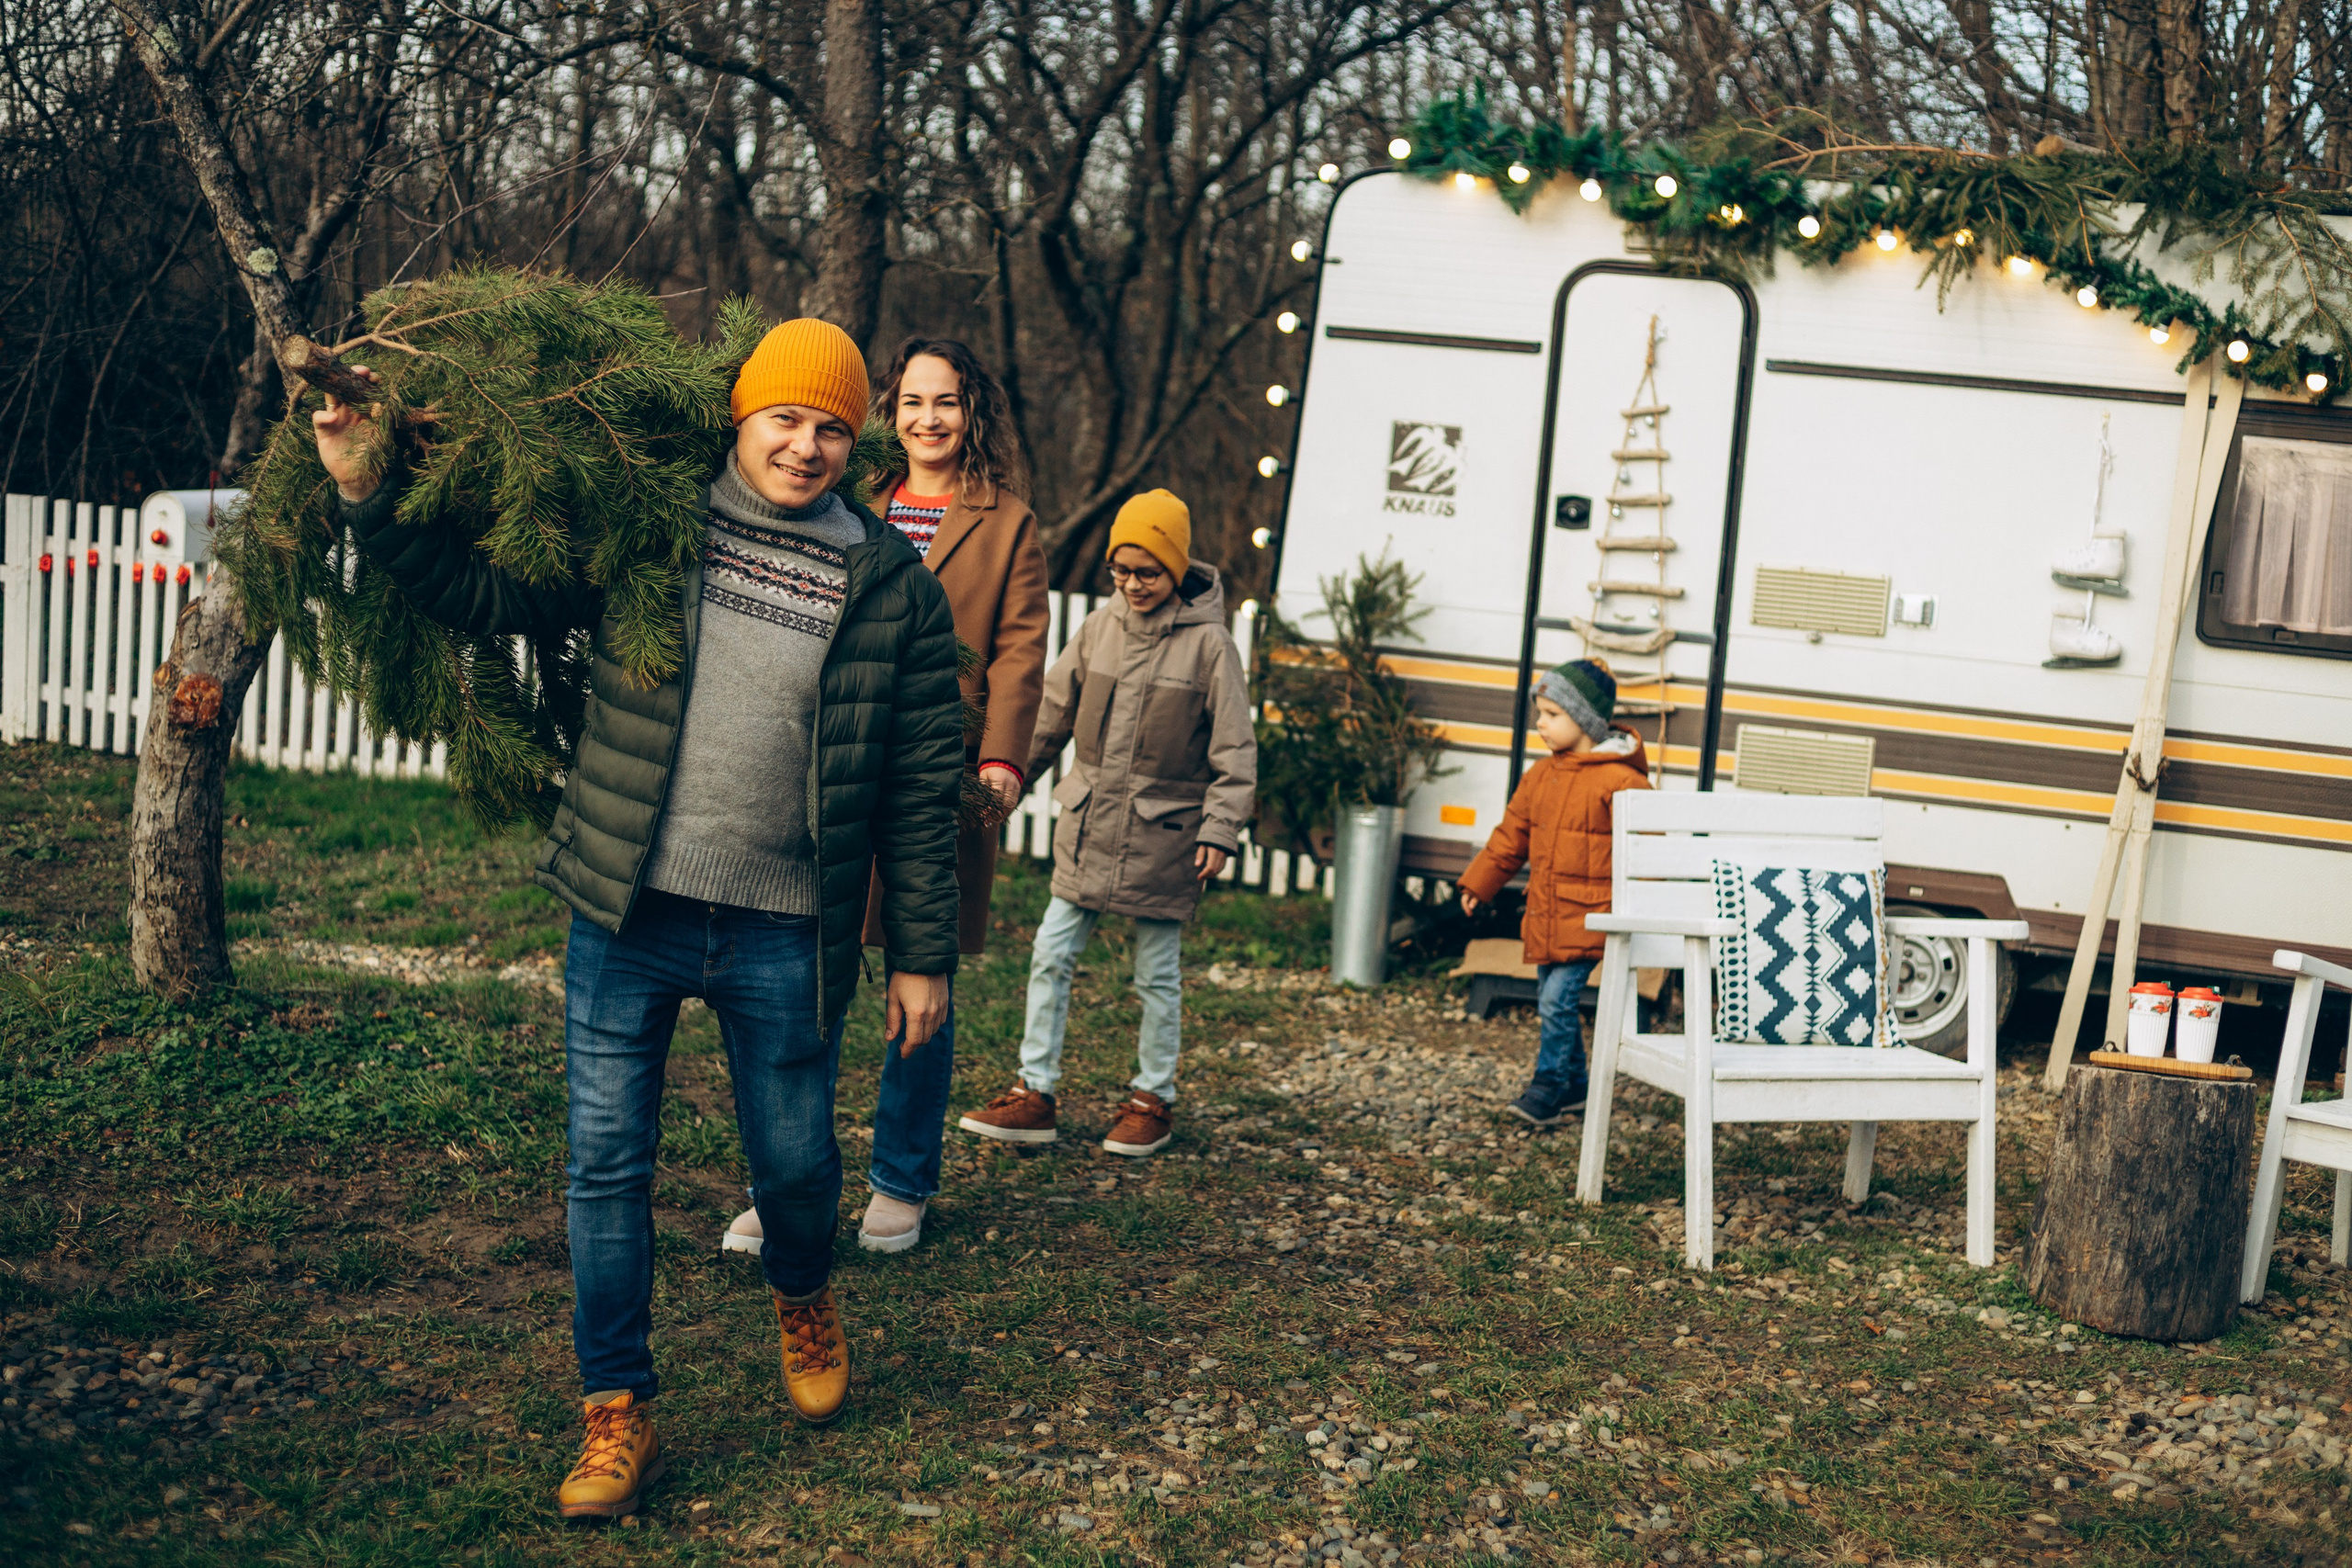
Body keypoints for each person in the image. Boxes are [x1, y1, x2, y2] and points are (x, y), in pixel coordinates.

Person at [310, 320, 964, 1518]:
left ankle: (803, 1282)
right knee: (606, 1166)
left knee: (801, 1166)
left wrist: (923, 951)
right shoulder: (651, 527)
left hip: (784, 925)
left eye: (831, 425)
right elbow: (484, 590)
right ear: (741, 415)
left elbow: (922, 784)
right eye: (786, 418)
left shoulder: (892, 587)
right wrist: (366, 485)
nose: (808, 445)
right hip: (629, 907)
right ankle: (618, 1406)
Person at [719, 337, 1047, 1259]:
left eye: (946, 402)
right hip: (830, 768)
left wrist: (1001, 763)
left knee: (918, 978)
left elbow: (1021, 649)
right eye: (911, 401)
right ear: (889, 411)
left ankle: (900, 1179)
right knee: (804, 980)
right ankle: (785, 1183)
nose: (927, 419)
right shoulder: (842, 499)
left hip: (936, 776)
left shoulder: (1008, 523)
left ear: (971, 412)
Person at [958, 490, 1255, 1156]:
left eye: (1147, 571)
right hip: (1090, 826)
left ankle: (1152, 1099)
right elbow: (1051, 711)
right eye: (1120, 571)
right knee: (1051, 953)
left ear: (1176, 568)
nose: (1132, 584)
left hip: (1167, 838)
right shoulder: (1099, 628)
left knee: (1155, 973)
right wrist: (1006, 780)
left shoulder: (1211, 647)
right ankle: (1034, 1091)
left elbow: (1235, 749)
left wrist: (1219, 828)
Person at [1455, 659, 1650, 1126]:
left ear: (1583, 719)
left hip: (1593, 916)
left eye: (1551, 715)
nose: (1540, 724)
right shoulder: (1541, 776)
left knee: (1556, 1001)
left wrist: (1643, 907)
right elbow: (1511, 835)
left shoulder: (1623, 781)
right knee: (1552, 997)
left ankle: (1548, 1084)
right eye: (1540, 713)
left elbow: (1648, 851)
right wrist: (1480, 882)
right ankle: (1578, 1087)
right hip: (1548, 911)